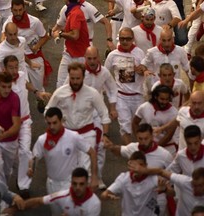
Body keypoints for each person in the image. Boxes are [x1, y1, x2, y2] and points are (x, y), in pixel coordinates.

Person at [45, 62, 111, 176]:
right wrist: (55, 123)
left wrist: (105, 135)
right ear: (69, 76)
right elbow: (48, 110)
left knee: (85, 169)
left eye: (78, 78)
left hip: (86, 134)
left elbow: (104, 114)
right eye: (72, 78)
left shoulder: (92, 93)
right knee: (66, 168)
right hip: (66, 134)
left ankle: (85, 190)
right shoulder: (60, 93)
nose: (75, 81)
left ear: (84, 77)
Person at [30, 107, 97, 214]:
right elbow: (35, 157)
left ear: (61, 121)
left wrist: (94, 177)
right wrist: (31, 168)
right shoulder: (42, 140)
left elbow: (92, 152)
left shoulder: (73, 137)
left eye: (55, 123)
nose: (51, 126)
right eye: (49, 123)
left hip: (70, 184)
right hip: (52, 185)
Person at [2, 55, 50, 197]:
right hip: (8, 125)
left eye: (16, 67)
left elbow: (26, 84)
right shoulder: (0, 85)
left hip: (24, 122)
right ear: (4, 68)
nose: (14, 70)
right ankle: (4, 184)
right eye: (11, 67)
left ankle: (23, 186)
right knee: (10, 156)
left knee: (24, 151)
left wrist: (37, 92)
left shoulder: (22, 75)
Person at [104, 123, 173, 216]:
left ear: (152, 136)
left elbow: (172, 175)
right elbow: (119, 150)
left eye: (146, 138)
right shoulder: (132, 148)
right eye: (140, 139)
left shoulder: (165, 155)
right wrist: (111, 147)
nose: (143, 142)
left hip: (157, 197)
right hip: (136, 195)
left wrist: (166, 188)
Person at [82, 46, 117, 189]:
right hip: (81, 115)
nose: (91, 61)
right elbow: (66, 89)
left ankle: (99, 177)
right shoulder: (79, 72)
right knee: (82, 148)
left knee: (101, 146)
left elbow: (113, 89)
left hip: (98, 114)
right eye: (89, 58)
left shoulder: (104, 73)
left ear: (98, 57)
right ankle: (83, 178)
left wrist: (113, 108)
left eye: (94, 58)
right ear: (85, 58)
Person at [104, 27, 146, 145]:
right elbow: (105, 74)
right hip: (121, 97)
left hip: (138, 95)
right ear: (119, 39)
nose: (125, 42)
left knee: (140, 125)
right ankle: (131, 153)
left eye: (128, 39)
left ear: (133, 39)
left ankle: (141, 149)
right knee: (125, 125)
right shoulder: (112, 55)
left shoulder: (139, 52)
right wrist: (110, 90)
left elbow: (145, 69)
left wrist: (140, 70)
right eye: (122, 39)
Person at [1, 0, 50, 91]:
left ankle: (40, 100)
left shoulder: (35, 22)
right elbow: (3, 38)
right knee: (20, 88)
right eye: (15, 10)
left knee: (38, 87)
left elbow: (45, 37)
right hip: (18, 60)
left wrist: (37, 46)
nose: (18, 13)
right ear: (11, 10)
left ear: (24, 9)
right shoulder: (8, 22)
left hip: (34, 58)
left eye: (20, 10)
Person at [129, 161, 204, 216]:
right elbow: (161, 172)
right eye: (193, 185)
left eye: (199, 186)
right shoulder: (185, 182)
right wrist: (144, 170)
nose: (194, 188)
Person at [101, 151, 159, 216]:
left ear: (146, 165)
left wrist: (165, 189)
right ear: (130, 166)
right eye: (134, 165)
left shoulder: (154, 179)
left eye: (141, 165)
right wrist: (107, 196)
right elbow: (104, 195)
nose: (138, 168)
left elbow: (171, 192)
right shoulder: (123, 179)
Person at [24, 167, 101, 216]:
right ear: (71, 183)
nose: (77, 187)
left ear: (87, 184)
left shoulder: (94, 203)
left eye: (81, 184)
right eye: (74, 183)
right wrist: (16, 207)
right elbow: (39, 201)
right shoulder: (63, 195)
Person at [52, 0, 89, 88]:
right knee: (61, 86)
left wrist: (60, 34)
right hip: (69, 54)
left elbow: (75, 35)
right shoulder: (72, 11)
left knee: (75, 87)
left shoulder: (75, 13)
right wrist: (60, 32)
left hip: (79, 57)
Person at [132, 85, 178, 155]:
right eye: (162, 99)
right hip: (148, 147)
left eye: (167, 99)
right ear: (156, 97)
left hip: (168, 148)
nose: (165, 102)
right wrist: (140, 140)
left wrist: (154, 148)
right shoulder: (144, 107)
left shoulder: (174, 113)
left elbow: (168, 136)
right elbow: (135, 122)